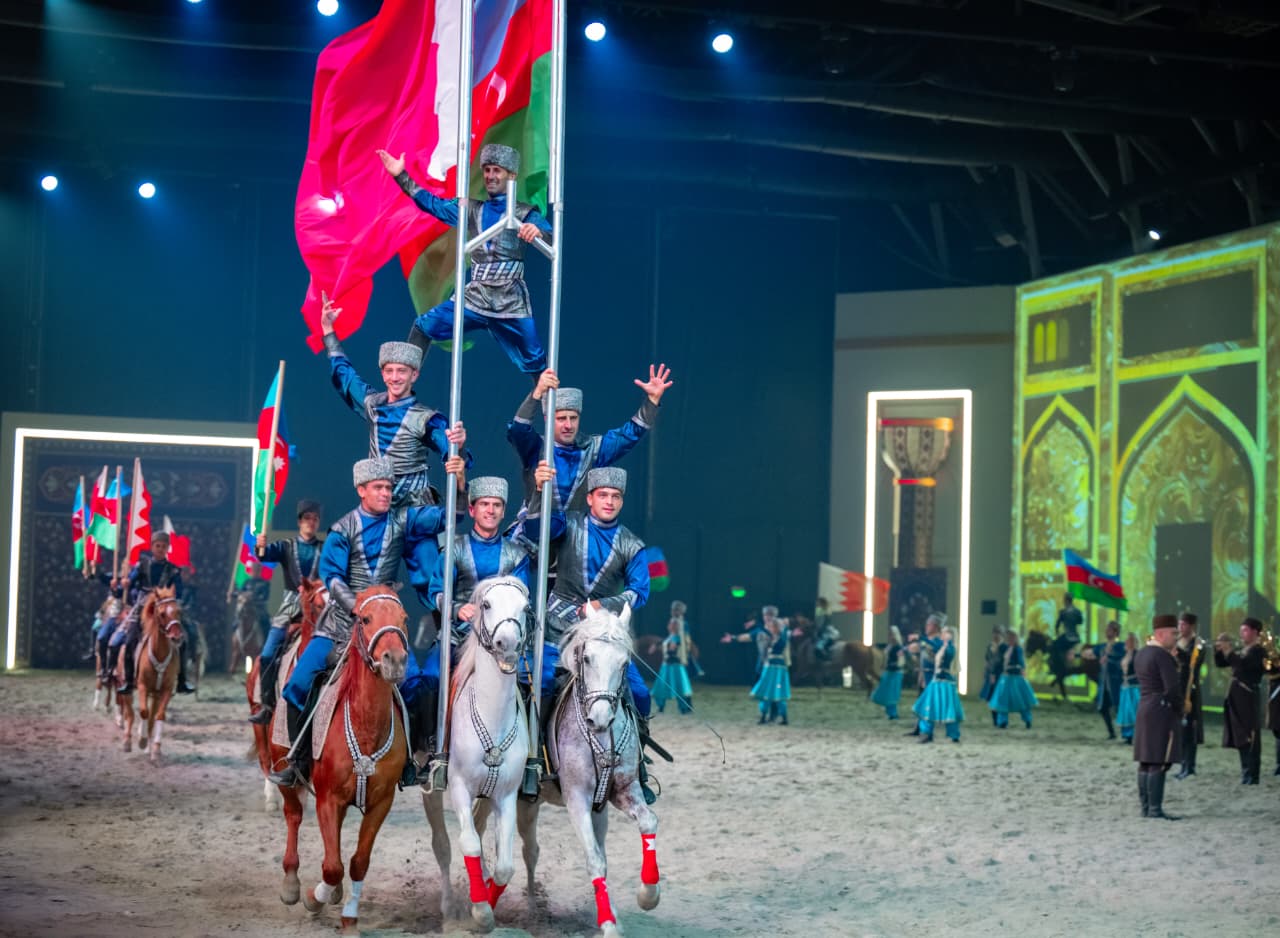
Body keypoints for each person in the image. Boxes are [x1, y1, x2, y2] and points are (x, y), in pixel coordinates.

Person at [269, 455, 466, 789]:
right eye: (378, 488)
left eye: (389, 487)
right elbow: (332, 578)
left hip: (385, 622)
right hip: (341, 624)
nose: (386, 493)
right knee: (299, 681)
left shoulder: (403, 520)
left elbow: (451, 517)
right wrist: (358, 607)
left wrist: (459, 484)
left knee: (416, 683)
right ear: (361, 490)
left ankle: (411, 760)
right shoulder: (341, 530)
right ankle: (297, 760)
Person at [526, 462, 660, 803]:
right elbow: (538, 529)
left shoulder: (632, 544)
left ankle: (637, 765)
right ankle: (534, 760)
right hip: (556, 626)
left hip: (600, 631)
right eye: (603, 495)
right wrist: (541, 491)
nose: (610, 501)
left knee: (640, 692)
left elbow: (639, 590)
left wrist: (604, 606)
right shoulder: (569, 525)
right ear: (590, 498)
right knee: (541, 684)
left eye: (616, 496)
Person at [378, 143, 552, 377]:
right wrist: (401, 176)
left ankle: (549, 410)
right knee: (424, 325)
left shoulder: (526, 213)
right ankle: (403, 391)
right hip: (476, 296)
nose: (490, 176)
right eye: (487, 170)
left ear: (511, 175)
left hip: (510, 299)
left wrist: (537, 231)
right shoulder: (471, 209)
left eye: (496, 170)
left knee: (539, 365)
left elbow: (551, 238)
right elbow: (433, 204)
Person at [506, 366, 672, 541]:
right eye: (561, 418)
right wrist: (537, 392)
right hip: (533, 535)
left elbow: (628, 435)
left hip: (570, 540)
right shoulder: (536, 448)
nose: (568, 425)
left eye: (573, 418)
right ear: (547, 419)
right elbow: (518, 430)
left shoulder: (592, 449)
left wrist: (652, 401)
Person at [418, 476, 532, 726]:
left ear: (503, 512)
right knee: (431, 676)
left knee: (534, 678)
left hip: (503, 637)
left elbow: (522, 597)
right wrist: (457, 609)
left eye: (497, 505)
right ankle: (426, 748)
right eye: (484, 504)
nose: (490, 510)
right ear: (471, 510)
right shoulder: (453, 550)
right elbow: (435, 592)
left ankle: (532, 750)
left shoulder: (517, 555)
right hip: (458, 635)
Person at [246, 499, 325, 726]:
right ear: (300, 522)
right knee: (269, 653)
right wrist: (260, 545)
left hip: (319, 607)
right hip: (291, 606)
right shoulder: (286, 546)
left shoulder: (323, 548)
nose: (311, 522)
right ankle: (268, 705)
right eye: (307, 518)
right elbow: (264, 555)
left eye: (315, 519)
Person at [101, 531, 194, 695]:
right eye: (157, 546)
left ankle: (181, 681)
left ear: (168, 548)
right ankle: (128, 681)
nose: (160, 549)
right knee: (128, 641)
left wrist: (169, 599)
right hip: (144, 609)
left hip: (165, 609)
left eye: (163, 546)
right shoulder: (142, 565)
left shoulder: (173, 571)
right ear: (152, 547)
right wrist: (119, 586)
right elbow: (129, 582)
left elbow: (178, 592)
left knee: (184, 639)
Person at [1133, 615, 1183, 820]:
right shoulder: (1162, 656)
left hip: (1145, 706)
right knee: (1159, 760)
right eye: (1173, 633)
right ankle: (1155, 809)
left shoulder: (1142, 653)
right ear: (1161, 633)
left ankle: (1146, 808)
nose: (1176, 637)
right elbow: (1171, 687)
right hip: (1161, 710)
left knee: (1146, 760)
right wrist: (1180, 708)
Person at [1214, 617, 1265, 785]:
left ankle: (1253, 774)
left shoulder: (1258, 651)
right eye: (1241, 630)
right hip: (1236, 695)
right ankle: (1245, 772)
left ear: (1255, 632)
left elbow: (1243, 666)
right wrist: (1219, 649)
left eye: (1245, 630)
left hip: (1248, 696)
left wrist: (1229, 651)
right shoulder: (1243, 649)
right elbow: (1222, 663)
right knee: (1241, 734)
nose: (1241, 634)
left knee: (1250, 733)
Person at [912, 625, 964, 742]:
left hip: (944, 683)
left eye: (945, 633)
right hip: (937, 681)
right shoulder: (943, 647)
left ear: (950, 635)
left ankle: (953, 734)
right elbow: (934, 647)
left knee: (948, 709)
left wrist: (921, 638)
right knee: (928, 706)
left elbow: (936, 647)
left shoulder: (950, 648)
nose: (942, 634)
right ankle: (926, 732)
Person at [1173, 612, 1206, 780]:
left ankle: (1190, 766)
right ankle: (1182, 765)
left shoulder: (1198, 644)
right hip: (1177, 689)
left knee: (1190, 728)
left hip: (1190, 691)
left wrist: (1176, 650)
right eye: (1179, 624)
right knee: (1179, 729)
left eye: (1183, 625)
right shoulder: (1177, 641)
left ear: (1191, 626)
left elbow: (1192, 663)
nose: (1180, 628)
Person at [1082, 620, 1124, 739]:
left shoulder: (1120, 646)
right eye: (1107, 629)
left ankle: (1128, 733)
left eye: (1109, 630)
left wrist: (1109, 658)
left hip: (1115, 683)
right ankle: (1112, 733)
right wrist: (1080, 654)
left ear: (1115, 632)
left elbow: (1121, 659)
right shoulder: (1102, 647)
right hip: (1104, 683)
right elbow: (1089, 653)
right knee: (1103, 708)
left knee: (1118, 707)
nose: (1106, 632)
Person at [988, 629, 1038, 729]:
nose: (1010, 638)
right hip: (1006, 677)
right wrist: (993, 672)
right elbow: (998, 661)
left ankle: (1027, 719)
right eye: (1009, 636)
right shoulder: (1005, 648)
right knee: (1002, 700)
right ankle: (1002, 721)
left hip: (1015, 677)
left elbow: (1021, 661)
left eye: (1012, 637)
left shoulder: (1017, 649)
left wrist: (1022, 670)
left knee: (1021, 700)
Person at [905, 613, 944, 737]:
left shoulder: (938, 641)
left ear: (936, 626)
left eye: (929, 624)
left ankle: (928, 732)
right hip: (924, 675)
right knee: (921, 702)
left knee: (929, 705)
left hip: (933, 676)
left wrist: (921, 639)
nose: (927, 626)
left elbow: (934, 650)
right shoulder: (927, 641)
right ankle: (918, 728)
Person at [749, 614, 792, 725]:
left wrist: (785, 626)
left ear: (776, 628)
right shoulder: (771, 638)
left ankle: (783, 718)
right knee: (766, 692)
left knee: (777, 693)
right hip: (769, 669)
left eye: (772, 626)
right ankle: (764, 716)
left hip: (776, 670)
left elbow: (783, 637)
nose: (770, 628)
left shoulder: (781, 638)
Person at [652, 616, 693, 715]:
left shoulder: (677, 637)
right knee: (661, 687)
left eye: (673, 624)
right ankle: (660, 707)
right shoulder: (670, 637)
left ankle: (684, 708)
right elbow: (665, 646)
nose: (670, 626)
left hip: (675, 666)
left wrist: (671, 649)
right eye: (670, 624)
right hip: (666, 666)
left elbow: (673, 649)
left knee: (680, 687)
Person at [1048, 592, 1084, 698]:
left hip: (1068, 636)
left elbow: (1057, 625)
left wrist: (1057, 633)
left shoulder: (1063, 612)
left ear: (1066, 600)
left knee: (1054, 646)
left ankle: (1057, 666)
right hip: (1076, 637)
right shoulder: (1077, 611)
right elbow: (1080, 622)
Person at [870, 626, 906, 720]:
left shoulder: (898, 647)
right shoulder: (890, 646)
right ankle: (890, 712)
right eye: (890, 635)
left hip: (895, 673)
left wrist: (893, 665)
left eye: (892, 635)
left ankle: (893, 713)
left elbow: (900, 661)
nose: (891, 637)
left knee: (891, 694)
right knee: (885, 692)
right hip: (889, 672)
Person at [979, 624, 1007, 724]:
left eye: (999, 633)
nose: (996, 635)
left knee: (1000, 697)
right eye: (995, 632)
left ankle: (1001, 719)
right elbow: (987, 660)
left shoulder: (1004, 647)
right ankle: (995, 719)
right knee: (990, 698)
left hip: (1000, 675)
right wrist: (986, 672)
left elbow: (1003, 661)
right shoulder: (990, 646)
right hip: (990, 674)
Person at [669, 599, 704, 678]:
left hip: (680, 646)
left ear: (681, 612)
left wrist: (684, 646)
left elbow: (685, 636)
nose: (673, 612)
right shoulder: (672, 621)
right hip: (672, 644)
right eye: (673, 610)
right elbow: (672, 634)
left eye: (676, 610)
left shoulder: (683, 623)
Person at [1115, 633, 1140, 742]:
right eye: (1127, 640)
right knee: (1125, 710)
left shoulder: (1138, 655)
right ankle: (1127, 734)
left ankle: (1134, 734)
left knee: (1132, 710)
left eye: (1130, 641)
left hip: (1134, 687)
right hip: (1125, 686)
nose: (1127, 642)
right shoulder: (1125, 654)